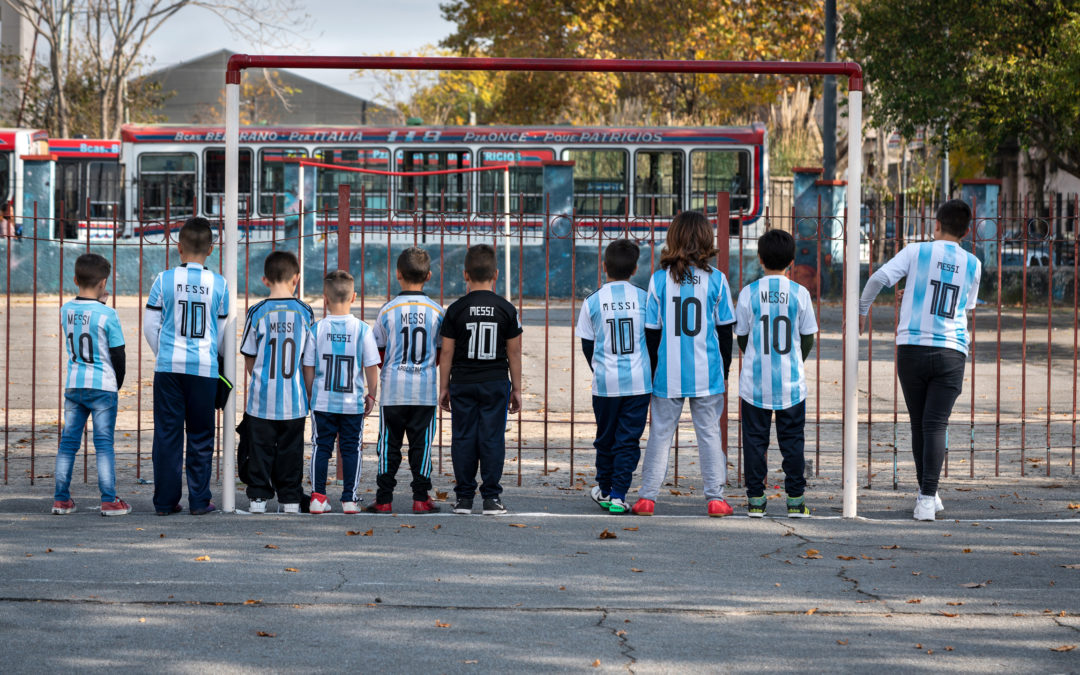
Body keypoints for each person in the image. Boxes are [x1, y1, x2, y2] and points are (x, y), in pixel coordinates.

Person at [859, 199, 981, 521]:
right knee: (936, 423)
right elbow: (961, 306)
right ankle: (928, 496)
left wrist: (861, 311)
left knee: (919, 422)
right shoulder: (973, 263)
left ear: (936, 225)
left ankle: (927, 493)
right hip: (951, 350)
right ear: (966, 232)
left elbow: (877, 279)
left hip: (912, 345)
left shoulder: (916, 252)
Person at [633, 211, 736, 517]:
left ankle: (647, 498)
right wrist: (725, 371)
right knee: (709, 434)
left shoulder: (659, 280)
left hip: (667, 373)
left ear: (673, 239)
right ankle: (715, 498)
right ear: (707, 239)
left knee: (661, 434)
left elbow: (652, 332)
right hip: (707, 373)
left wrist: (653, 372)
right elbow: (725, 332)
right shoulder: (717, 280)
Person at [144, 217, 229, 516]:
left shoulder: (163, 279)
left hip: (168, 368)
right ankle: (200, 500)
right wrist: (207, 354)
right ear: (212, 249)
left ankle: (166, 502)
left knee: (167, 435)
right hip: (203, 369)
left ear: (178, 247)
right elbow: (221, 333)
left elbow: (150, 324)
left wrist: (164, 352)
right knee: (201, 435)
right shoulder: (220, 284)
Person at [734, 229, 818, 518]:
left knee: (755, 443)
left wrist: (756, 353)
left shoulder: (749, 293)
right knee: (793, 442)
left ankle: (756, 500)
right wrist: (795, 358)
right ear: (792, 261)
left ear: (759, 259)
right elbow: (807, 338)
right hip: (791, 383)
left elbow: (742, 336)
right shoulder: (800, 293)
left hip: (754, 385)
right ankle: (795, 500)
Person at [439, 244, 522, 515]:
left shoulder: (456, 309)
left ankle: (464, 498)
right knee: (492, 438)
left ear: (465, 274)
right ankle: (491, 498)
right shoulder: (506, 309)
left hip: (462, 381)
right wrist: (517, 389)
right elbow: (514, 352)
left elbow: (447, 350)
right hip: (495, 382)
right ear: (496, 274)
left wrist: (444, 386)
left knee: (463, 438)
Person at [53, 253, 131, 516]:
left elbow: (82, 318)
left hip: (75, 384)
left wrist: (95, 302)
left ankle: (61, 499)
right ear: (104, 282)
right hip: (102, 386)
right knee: (104, 443)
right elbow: (117, 353)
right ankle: (109, 499)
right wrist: (117, 382)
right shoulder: (108, 314)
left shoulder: (65, 310)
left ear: (75, 279)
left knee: (68, 443)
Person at [576, 239, 650, 514]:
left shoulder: (593, 301)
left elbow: (587, 343)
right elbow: (653, 338)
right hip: (638, 383)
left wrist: (599, 369)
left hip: (606, 384)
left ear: (603, 266)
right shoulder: (644, 298)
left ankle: (605, 488)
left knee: (605, 438)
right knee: (628, 440)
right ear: (634, 269)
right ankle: (618, 494)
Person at [370, 248, 445, 514]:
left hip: (392, 390)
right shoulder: (437, 311)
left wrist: (392, 365)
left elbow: (377, 350)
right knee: (421, 446)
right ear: (429, 275)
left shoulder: (388, 310)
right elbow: (440, 351)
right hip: (423, 391)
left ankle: (383, 499)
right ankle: (421, 498)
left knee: (387, 445)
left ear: (398, 275)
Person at [240, 250, 315, 514]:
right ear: (296, 278)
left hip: (262, 398)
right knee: (291, 452)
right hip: (294, 400)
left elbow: (249, 356)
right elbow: (308, 362)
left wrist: (260, 378)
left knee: (259, 450)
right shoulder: (305, 313)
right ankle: (290, 500)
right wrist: (307, 393)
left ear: (265, 280)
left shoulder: (257, 312)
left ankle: (258, 499)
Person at [302, 270, 379, 515]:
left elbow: (309, 366)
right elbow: (371, 366)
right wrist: (372, 395)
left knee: (320, 447)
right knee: (351, 448)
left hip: (323, 400)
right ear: (354, 296)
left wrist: (311, 393)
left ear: (325, 298)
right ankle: (349, 499)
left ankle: (317, 497)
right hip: (351, 402)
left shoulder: (317, 329)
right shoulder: (362, 329)